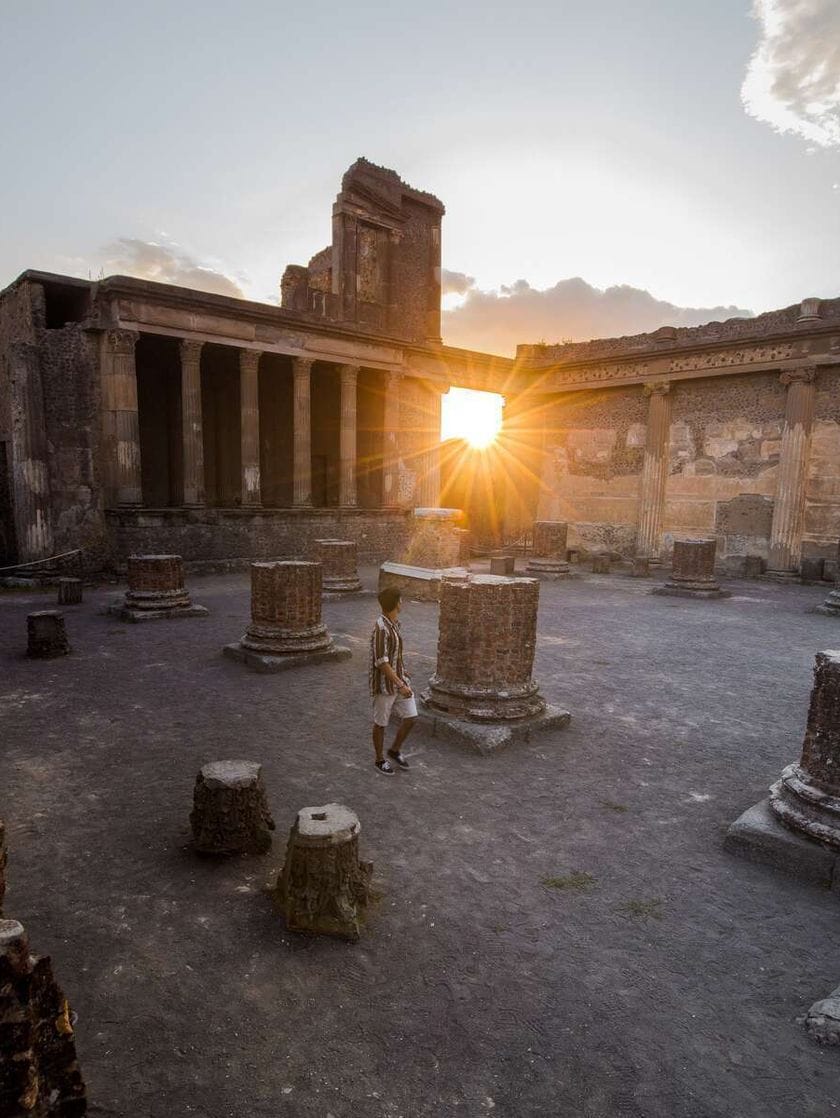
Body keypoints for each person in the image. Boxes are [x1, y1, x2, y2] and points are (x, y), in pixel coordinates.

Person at [369, 586, 416, 775]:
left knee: (411, 718)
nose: (402, 602)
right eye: (401, 600)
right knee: (381, 723)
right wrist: (401, 684)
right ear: (396, 603)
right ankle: (379, 759)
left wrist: (403, 671)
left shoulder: (395, 623)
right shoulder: (381, 627)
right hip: (384, 686)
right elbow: (381, 662)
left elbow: (394, 656)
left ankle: (394, 750)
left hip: (399, 680)